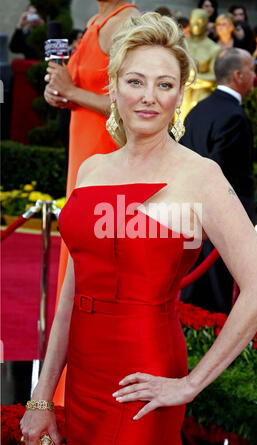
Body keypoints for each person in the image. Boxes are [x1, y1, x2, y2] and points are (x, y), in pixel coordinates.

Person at [20, 13, 257, 445]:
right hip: (83, 373)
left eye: (164, 85)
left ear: (179, 94)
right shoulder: (92, 169)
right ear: (115, 86)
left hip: (145, 377)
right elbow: (71, 287)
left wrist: (190, 385)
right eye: (136, 81)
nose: (149, 97)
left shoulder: (200, 175)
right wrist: (44, 396)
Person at [44, 0, 139, 406]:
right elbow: (87, 93)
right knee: (75, 270)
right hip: (82, 162)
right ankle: (64, 393)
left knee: (94, 274)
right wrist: (64, 95)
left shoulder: (128, 22)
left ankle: (95, 393)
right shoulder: (98, 21)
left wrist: (72, 91)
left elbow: (132, 104)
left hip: (107, 165)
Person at [180, 47, 257, 314]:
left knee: (193, 297)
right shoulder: (234, 117)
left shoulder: (198, 110)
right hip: (221, 225)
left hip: (190, 219)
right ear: (239, 75)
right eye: (252, 70)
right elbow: (226, 176)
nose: (256, 76)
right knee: (217, 298)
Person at [179, 8, 221, 121]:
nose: (196, 24)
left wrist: (193, 78)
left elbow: (214, 78)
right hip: (184, 91)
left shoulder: (214, 48)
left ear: (207, 23)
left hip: (202, 91)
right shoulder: (181, 44)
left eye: (200, 21)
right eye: (194, 20)